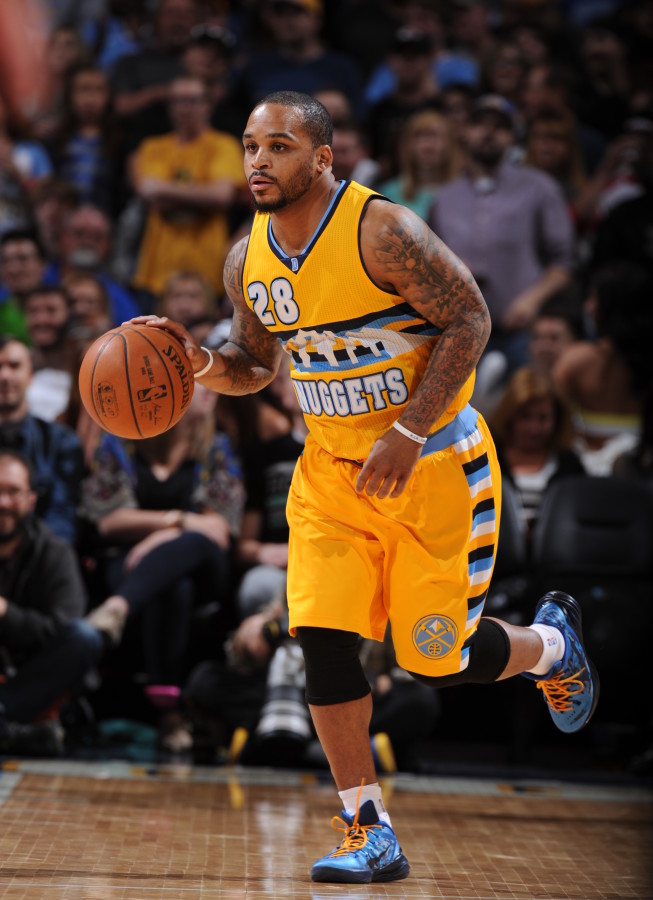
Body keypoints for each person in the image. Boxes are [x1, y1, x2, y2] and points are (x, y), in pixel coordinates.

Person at [130, 91, 599, 885]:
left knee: (432, 658)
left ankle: (551, 646)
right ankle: (365, 824)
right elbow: (253, 363)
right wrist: (197, 363)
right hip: (329, 477)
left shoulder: (381, 229)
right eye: (248, 145)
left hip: (432, 465)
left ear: (322, 158)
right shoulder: (246, 257)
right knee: (320, 639)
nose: (256, 161)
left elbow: (471, 321)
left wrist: (408, 429)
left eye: (277, 147)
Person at [80, 381, 245, 752]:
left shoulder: (218, 449)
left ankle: (116, 609)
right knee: (173, 586)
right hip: (129, 565)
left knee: (194, 548)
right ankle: (170, 714)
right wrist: (180, 521)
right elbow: (108, 521)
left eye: (213, 383)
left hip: (204, 567)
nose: (210, 390)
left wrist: (161, 536)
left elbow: (218, 528)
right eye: (196, 382)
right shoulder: (119, 442)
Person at [429, 94, 575, 374]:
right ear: (465, 132)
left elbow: (564, 262)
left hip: (523, 330)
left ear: (512, 137)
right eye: (479, 123)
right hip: (460, 331)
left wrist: (532, 300)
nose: (488, 132)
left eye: (499, 127)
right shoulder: (445, 198)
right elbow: (425, 261)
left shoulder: (539, 187)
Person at [0, 449, 103, 756]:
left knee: (85, 638)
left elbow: (62, 629)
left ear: (31, 499)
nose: (3, 502)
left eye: (13, 492)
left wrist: (5, 614)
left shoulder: (53, 551)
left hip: (33, 680)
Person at [131, 75, 247, 298]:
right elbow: (150, 194)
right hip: (157, 273)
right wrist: (202, 194)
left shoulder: (225, 146)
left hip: (207, 273)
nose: (185, 108)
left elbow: (221, 196)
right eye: (178, 101)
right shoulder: (153, 147)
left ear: (208, 104)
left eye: (193, 101)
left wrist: (163, 189)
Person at [0, 336, 84, 545]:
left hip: (39, 563)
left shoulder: (61, 442)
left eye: (14, 365)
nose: (4, 375)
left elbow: (62, 516)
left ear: (31, 376)